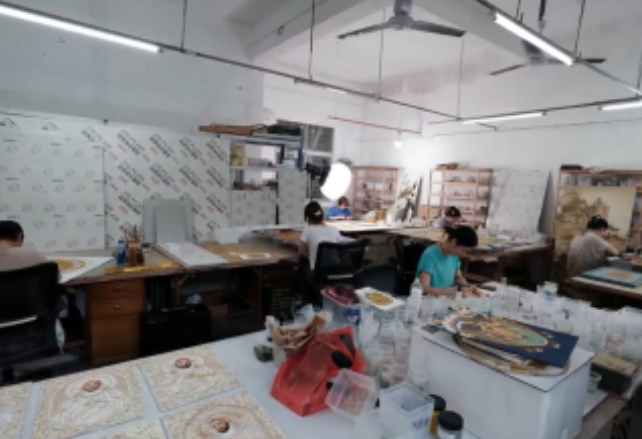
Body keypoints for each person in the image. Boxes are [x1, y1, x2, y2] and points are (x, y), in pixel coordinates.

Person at [415, 226, 480, 297]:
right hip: (429, 298)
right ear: (454, 242)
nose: (464, 254)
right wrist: (452, 292)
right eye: (463, 250)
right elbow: (424, 288)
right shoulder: (430, 255)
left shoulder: (454, 255)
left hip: (445, 297)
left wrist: (468, 287)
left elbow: (458, 277)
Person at [299, 201, 347, 270]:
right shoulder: (334, 230)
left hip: (318, 271)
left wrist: (313, 255)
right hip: (335, 269)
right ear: (323, 215)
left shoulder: (307, 230)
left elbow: (301, 252)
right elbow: (341, 248)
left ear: (307, 218)